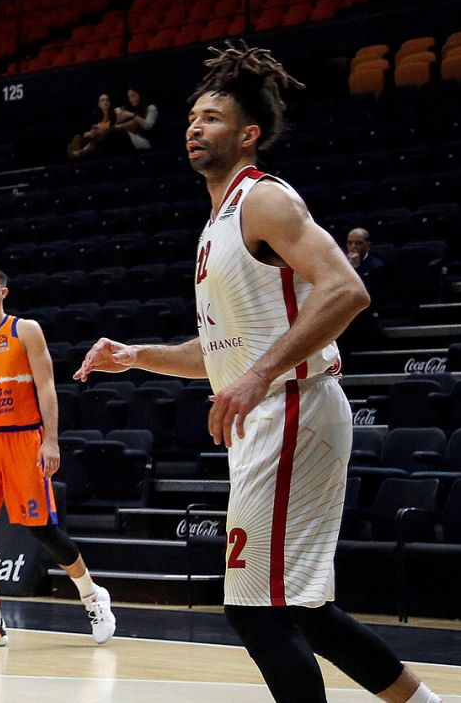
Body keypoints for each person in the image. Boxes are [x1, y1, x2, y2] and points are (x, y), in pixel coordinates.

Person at [74, 43, 442, 703]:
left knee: (253, 608)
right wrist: (137, 355)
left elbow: (346, 290)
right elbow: (222, 354)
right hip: (274, 409)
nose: (194, 127)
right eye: (192, 117)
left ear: (247, 134)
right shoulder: (217, 223)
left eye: (212, 118)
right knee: (302, 608)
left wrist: (257, 375)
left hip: (293, 405)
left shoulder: (264, 199)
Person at [0, 265, 115, 649]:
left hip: (24, 439)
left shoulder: (24, 330)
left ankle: (93, 596)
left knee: (42, 529)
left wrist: (51, 441)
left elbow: (46, 387)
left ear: (3, 292)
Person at [66, 93, 116, 160]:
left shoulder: (114, 114)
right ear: (99, 104)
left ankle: (78, 154)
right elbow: (93, 129)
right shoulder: (97, 117)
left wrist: (98, 131)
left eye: (107, 100)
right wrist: (89, 133)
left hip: (106, 138)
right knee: (77, 137)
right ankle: (76, 154)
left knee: (96, 140)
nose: (105, 102)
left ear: (110, 103)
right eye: (102, 100)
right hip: (95, 137)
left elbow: (113, 128)